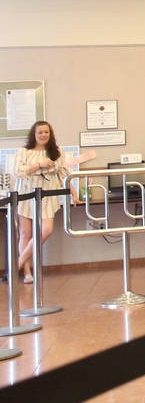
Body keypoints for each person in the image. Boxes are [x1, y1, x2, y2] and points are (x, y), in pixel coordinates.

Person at [14, 121, 78, 283]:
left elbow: (65, 174)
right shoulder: (24, 151)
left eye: (46, 132)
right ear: (34, 135)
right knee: (25, 234)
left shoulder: (56, 152)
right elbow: (18, 172)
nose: (43, 135)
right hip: (27, 194)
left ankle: (19, 263)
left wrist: (74, 194)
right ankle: (27, 272)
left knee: (46, 230)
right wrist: (38, 165)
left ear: (50, 134)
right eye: (40, 132)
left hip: (48, 194)